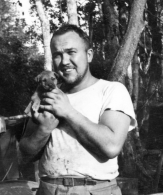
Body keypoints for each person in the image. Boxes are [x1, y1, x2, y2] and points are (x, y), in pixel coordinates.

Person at [19, 24, 137, 195]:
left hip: (94, 190)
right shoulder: (45, 96)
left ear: (89, 55)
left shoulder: (111, 90)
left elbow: (111, 147)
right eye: (58, 55)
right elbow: (25, 153)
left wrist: (68, 112)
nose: (65, 61)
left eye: (71, 52)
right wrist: (44, 129)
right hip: (48, 189)